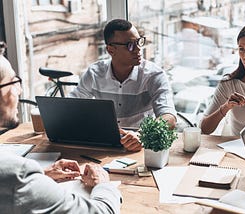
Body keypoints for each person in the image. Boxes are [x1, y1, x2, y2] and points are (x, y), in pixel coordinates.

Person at [0, 42, 121, 213]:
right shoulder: (17, 175)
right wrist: (103, 185)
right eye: (14, 82)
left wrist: (39, 177)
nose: (19, 90)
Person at [69, 19, 177, 152]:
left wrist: (143, 134)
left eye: (139, 42)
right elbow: (71, 107)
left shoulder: (154, 75)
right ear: (111, 50)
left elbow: (169, 117)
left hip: (141, 147)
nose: (138, 49)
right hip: (103, 147)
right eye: (130, 45)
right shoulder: (94, 73)